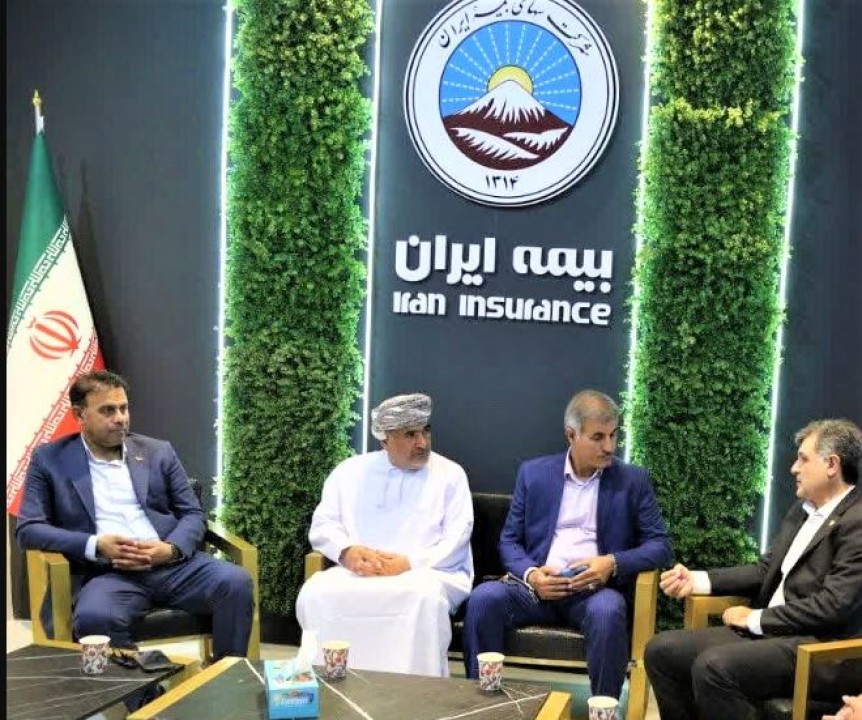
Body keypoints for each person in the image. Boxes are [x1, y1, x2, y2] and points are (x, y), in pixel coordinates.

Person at [16, 370, 254, 662]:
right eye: (107, 410)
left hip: (172, 565)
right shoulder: (49, 460)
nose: (120, 418)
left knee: (235, 582)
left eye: (123, 408)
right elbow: (28, 529)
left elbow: (192, 513)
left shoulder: (158, 452)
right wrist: (96, 545)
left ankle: (226, 678)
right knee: (95, 618)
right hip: (108, 574)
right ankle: (144, 688)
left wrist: (170, 549)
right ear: (79, 415)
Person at [645, 418, 862, 720]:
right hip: (774, 634)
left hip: (819, 648)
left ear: (832, 465)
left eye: (803, 459)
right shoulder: (801, 511)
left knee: (714, 667)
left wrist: (754, 619)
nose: (794, 468)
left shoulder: (856, 521)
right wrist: (697, 580)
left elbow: (833, 605)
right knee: (661, 651)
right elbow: (765, 570)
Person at [462, 390, 671, 698]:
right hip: (535, 590)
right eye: (598, 437)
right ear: (571, 435)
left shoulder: (633, 480)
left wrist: (611, 563)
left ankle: (604, 709)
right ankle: (483, 701)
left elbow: (661, 545)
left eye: (613, 435)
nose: (609, 446)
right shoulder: (534, 474)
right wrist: (533, 575)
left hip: (593, 593)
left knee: (608, 612)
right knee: (484, 599)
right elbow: (509, 541)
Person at [295, 393, 474, 677]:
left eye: (425, 431)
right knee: (317, 593)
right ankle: (330, 686)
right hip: (357, 573)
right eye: (410, 434)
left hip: (428, 573)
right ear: (385, 439)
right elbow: (324, 524)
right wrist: (347, 552)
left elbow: (457, 537)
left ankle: (417, 691)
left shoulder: (451, 474)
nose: (422, 443)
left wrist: (408, 563)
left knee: (422, 600)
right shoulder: (349, 472)